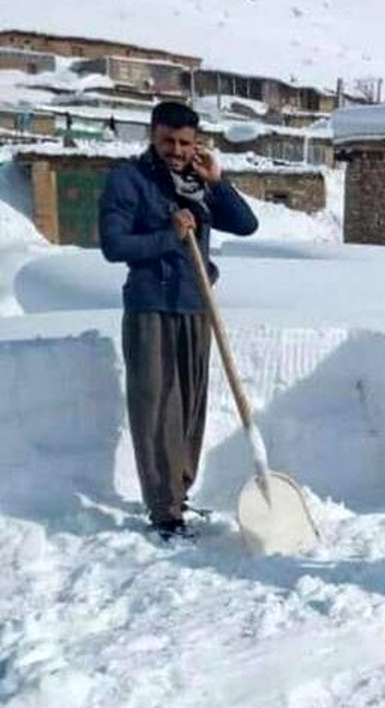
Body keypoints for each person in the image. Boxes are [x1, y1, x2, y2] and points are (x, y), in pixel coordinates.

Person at [99, 101, 259, 539]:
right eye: (168, 140)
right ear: (152, 134)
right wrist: (170, 234)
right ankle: (163, 510)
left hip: (195, 305)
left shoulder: (198, 182)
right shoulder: (128, 180)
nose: (176, 150)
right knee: (156, 408)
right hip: (152, 306)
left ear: (196, 143)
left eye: (185, 142)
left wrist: (217, 183)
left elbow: (247, 225)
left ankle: (180, 493)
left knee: (189, 407)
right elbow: (114, 246)